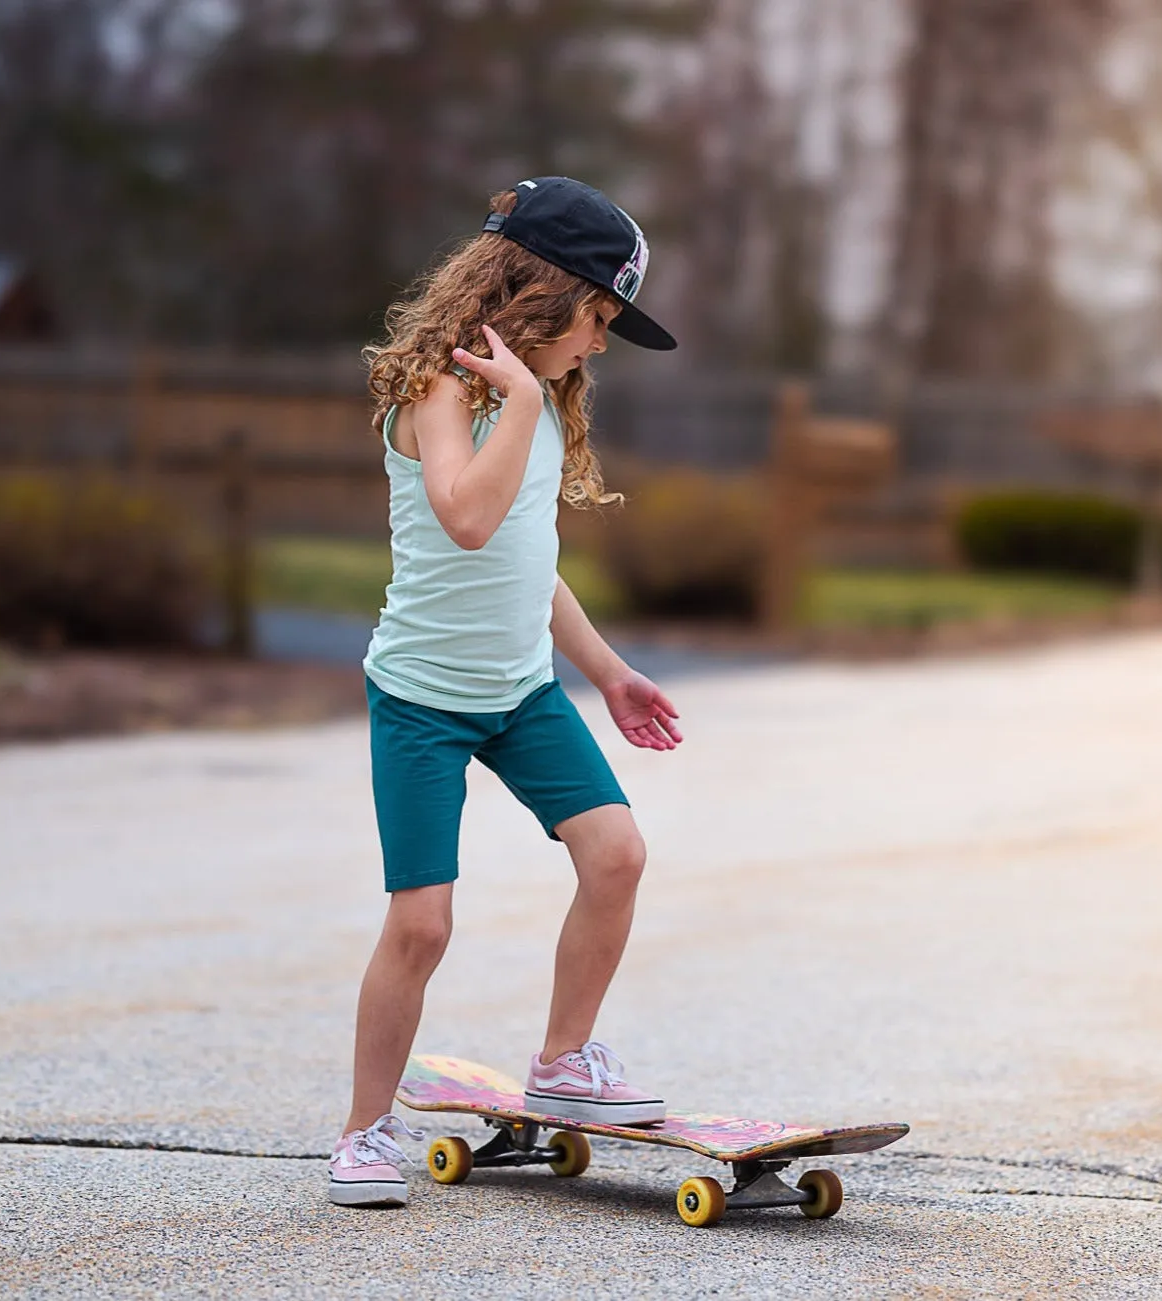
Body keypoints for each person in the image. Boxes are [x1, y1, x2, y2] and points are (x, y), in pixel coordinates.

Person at [330, 177, 683, 1208]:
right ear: (539, 291)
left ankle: (564, 1058)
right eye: (598, 317)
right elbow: (467, 519)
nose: (601, 344)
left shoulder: (536, 398)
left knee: (615, 853)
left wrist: (607, 671)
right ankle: (361, 1130)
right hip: (422, 699)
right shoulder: (444, 388)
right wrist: (520, 403)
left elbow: (528, 562)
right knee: (421, 925)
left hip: (520, 689)